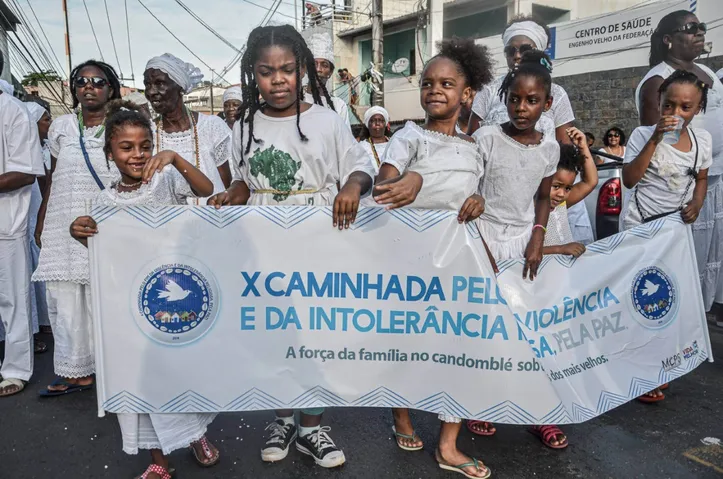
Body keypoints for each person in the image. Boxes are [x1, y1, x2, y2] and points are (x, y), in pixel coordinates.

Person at [209, 24, 374, 468]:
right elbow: (243, 180)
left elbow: (360, 168)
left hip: (320, 242)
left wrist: (353, 189)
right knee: (274, 334)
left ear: (302, 69)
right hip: (264, 248)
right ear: (253, 74)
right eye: (267, 72)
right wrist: (234, 195)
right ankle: (282, 419)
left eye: (287, 70)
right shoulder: (244, 123)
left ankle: (312, 427)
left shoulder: (326, 120)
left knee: (317, 335)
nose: (278, 80)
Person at [69, 100, 220, 479]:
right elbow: (108, 259)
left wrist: (173, 158)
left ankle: (195, 435)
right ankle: (159, 458)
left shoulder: (165, 180)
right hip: (133, 310)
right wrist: (80, 235)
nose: (137, 155)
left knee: (181, 374)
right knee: (139, 382)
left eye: (145, 146)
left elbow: (205, 188)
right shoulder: (104, 202)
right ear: (110, 154)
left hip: (177, 300)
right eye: (126, 147)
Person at [373, 37, 493, 479]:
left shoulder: (476, 146)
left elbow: (476, 192)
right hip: (413, 261)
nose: (435, 90)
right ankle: (401, 415)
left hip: (461, 263)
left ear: (467, 93)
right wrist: (415, 178)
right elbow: (384, 188)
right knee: (409, 342)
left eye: (447, 83)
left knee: (459, 346)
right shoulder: (408, 137)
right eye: (427, 83)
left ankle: (449, 443)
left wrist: (479, 197)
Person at [32, 60, 121, 396]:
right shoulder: (61, 127)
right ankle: (77, 372)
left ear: (110, 88)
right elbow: (53, 176)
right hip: (61, 220)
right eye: (82, 81)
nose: (89, 87)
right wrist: (43, 217)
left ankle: (113, 369)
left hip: (105, 222)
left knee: (105, 296)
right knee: (65, 298)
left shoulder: (120, 125)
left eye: (98, 82)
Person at [466, 15, 593, 248]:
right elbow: (471, 144)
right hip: (493, 205)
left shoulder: (556, 93)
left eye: (525, 49)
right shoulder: (489, 91)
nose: (516, 55)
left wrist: (554, 194)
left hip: (538, 202)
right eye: (510, 50)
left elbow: (563, 153)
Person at [636, 10, 723, 336]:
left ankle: (693, 331)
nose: (699, 32)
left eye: (701, 27)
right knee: (678, 267)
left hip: (712, 184)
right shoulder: (658, 83)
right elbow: (656, 149)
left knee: (703, 266)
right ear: (669, 39)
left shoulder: (706, 74)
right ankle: (669, 336)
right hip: (678, 194)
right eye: (691, 28)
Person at [0, 49, 46, 397]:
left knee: (12, 299)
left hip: (7, 220)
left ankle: (15, 369)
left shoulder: (12, 111)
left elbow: (26, 172)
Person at [144, 53, 232, 204]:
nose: (151, 92)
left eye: (159, 83)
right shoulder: (147, 132)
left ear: (179, 87)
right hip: (170, 223)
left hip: (213, 216)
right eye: (147, 85)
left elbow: (228, 182)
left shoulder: (211, 126)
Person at [543, 129, 599, 261]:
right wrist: (560, 249)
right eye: (556, 186)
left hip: (562, 272)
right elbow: (522, 249)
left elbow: (590, 181)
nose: (561, 194)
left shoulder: (561, 205)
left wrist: (583, 147)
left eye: (568, 188)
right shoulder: (528, 211)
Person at [304, 32, 351, 127]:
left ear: (330, 72)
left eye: (324, 65)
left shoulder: (338, 106)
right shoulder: (296, 102)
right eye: (314, 64)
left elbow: (345, 140)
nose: (318, 69)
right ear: (305, 68)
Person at [358, 105, 391, 174]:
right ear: (368, 125)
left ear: (385, 124)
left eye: (381, 121)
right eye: (373, 121)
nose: (377, 124)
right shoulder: (361, 147)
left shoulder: (395, 144)